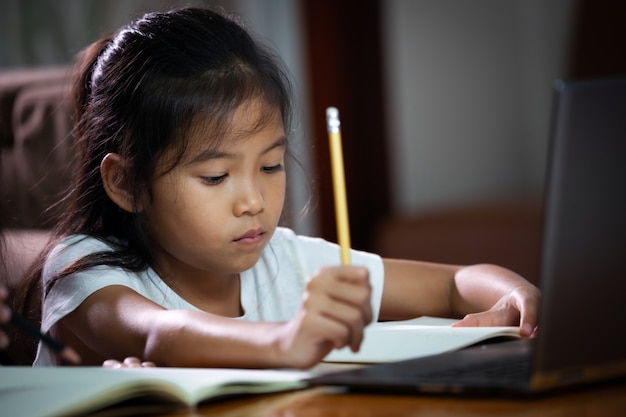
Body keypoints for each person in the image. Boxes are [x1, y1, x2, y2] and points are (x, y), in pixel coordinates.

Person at [20, 7, 539, 368]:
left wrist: (516, 293)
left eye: (270, 166)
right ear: (126, 183)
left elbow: (455, 283)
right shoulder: (84, 269)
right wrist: (286, 340)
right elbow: (162, 334)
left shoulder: (285, 262)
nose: (254, 202)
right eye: (216, 177)